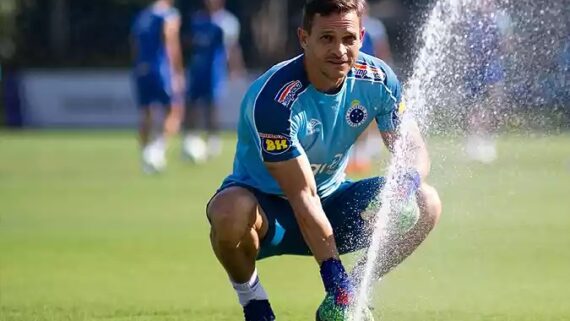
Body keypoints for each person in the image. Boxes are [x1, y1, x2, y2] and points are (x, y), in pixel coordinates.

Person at [205, 1, 442, 320]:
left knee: (425, 200)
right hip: (269, 216)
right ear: (304, 38)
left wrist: (404, 184)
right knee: (227, 210)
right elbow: (303, 197)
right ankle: (255, 303)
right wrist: (334, 279)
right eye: (326, 38)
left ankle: (355, 294)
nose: (339, 50)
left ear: (361, 36)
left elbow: (412, 148)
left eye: (348, 39)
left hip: (333, 203)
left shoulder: (378, 78)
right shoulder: (276, 100)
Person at [182, 0, 244, 162]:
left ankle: (213, 139)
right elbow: (189, 43)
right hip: (197, 69)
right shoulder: (197, 19)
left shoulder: (227, 22)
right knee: (193, 104)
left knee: (212, 105)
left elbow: (232, 47)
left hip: (215, 70)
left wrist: (235, 68)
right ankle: (191, 138)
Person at [131, 0, 185, 173]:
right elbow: (170, 41)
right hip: (161, 69)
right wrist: (177, 71)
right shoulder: (168, 14)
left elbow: (134, 44)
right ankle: (158, 150)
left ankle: (145, 156)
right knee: (175, 109)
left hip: (141, 67)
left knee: (146, 112)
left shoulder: (143, 16)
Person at [347, 6, 394, 174]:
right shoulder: (345, 25)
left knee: (365, 115)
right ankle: (354, 153)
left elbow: (382, 50)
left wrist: (384, 71)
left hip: (368, 76)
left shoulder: (373, 27)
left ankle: (362, 153)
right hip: (349, 75)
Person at [463, 0, 507, 164]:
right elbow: (466, 44)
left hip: (493, 67)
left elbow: (506, 43)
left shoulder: (500, 19)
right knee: (474, 105)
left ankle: (487, 140)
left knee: (494, 104)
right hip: (474, 68)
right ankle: (474, 140)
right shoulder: (471, 19)